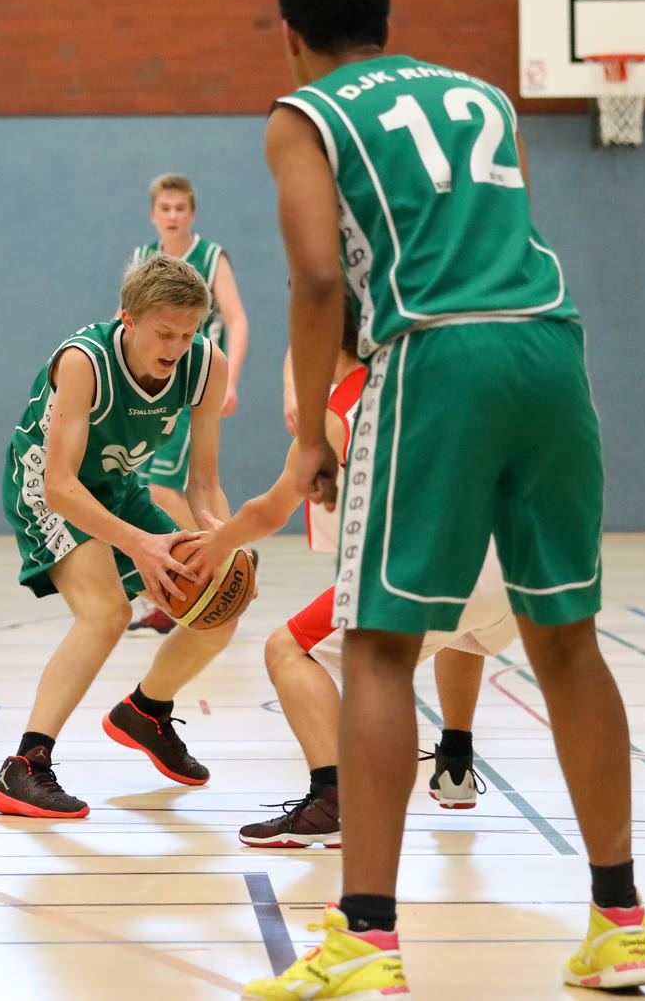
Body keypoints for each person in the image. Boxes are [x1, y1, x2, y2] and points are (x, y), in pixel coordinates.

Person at [240, 0, 645, 998]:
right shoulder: (481, 98)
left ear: (289, 35)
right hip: (549, 345)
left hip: (438, 355)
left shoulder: (303, 114)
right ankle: (619, 920)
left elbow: (315, 277)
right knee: (566, 640)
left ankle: (365, 937)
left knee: (378, 647)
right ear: (385, 18)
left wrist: (307, 435)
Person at [207, 303, 510, 851]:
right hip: (513, 569)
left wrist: (215, 545)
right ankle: (455, 763)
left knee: (287, 649)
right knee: (460, 630)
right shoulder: (427, 380)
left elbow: (271, 511)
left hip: (434, 572)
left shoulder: (339, 411)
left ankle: (331, 802)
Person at [0, 254, 234, 819]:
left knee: (217, 609)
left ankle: (146, 711)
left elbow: (204, 483)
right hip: (45, 484)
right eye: (164, 333)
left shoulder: (206, 364)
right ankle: (23, 767)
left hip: (117, 485)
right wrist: (139, 544)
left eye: (189, 333)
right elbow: (60, 486)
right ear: (128, 318)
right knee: (107, 613)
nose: (177, 347)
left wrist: (219, 541)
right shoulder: (85, 362)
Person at [125, 174, 250, 635]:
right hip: (148, 388)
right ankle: (195, 569)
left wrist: (230, 381)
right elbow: (127, 321)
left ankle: (222, 556)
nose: (173, 215)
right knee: (143, 486)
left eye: (180, 208)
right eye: (166, 208)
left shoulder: (211, 257)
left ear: (192, 214)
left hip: (190, 387)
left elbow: (237, 321)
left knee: (163, 486)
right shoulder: (144, 258)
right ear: (153, 214)